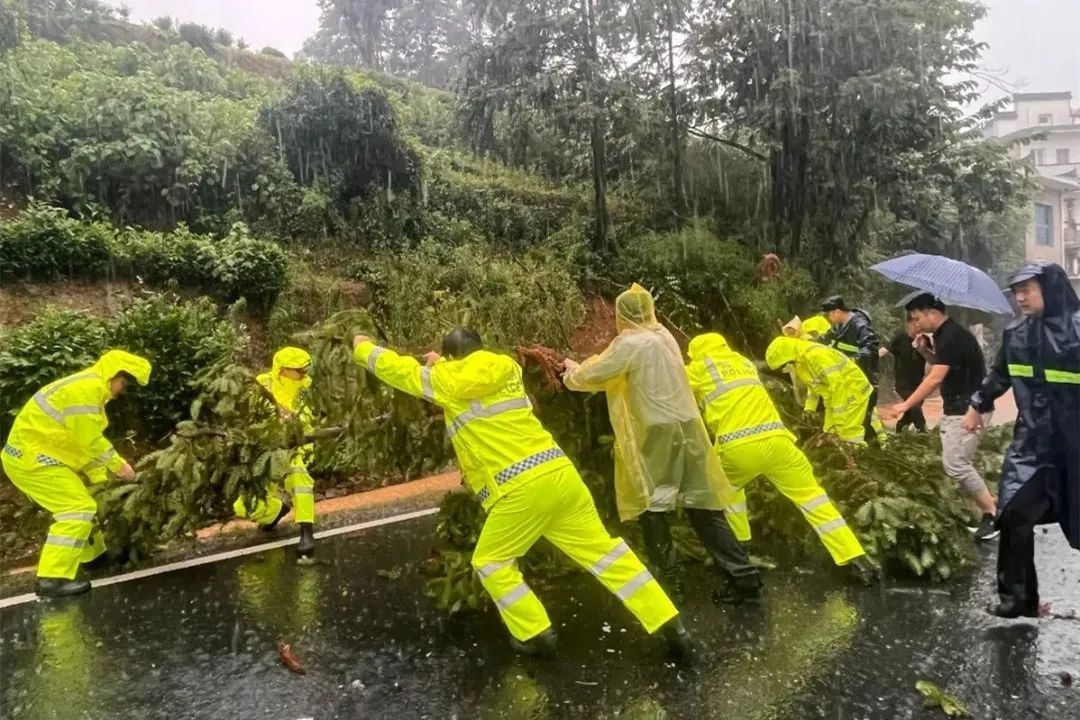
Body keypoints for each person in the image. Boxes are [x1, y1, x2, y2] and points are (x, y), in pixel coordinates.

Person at [353, 327, 692, 658]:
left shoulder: (446, 381)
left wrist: (362, 346)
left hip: (519, 488)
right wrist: (442, 364)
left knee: (491, 562)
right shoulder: (506, 370)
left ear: (452, 358)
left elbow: (396, 369)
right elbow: (466, 376)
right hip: (560, 475)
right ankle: (667, 621)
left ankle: (535, 633)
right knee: (606, 554)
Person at [562, 284, 763, 604]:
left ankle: (671, 583)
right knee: (703, 504)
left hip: (656, 432)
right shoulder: (664, 336)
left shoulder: (629, 343)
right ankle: (744, 578)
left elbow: (597, 373)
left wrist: (571, 372)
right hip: (688, 428)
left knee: (651, 504)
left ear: (621, 314)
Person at [685, 332, 876, 582]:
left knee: (727, 493)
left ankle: (742, 549)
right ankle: (856, 559)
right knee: (814, 499)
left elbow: (672, 387)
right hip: (779, 442)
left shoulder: (698, 368)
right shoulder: (743, 363)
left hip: (738, 448)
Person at [965, 262, 1079, 618]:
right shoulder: (1016, 334)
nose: (1020, 297)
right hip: (1031, 445)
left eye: (1027, 289)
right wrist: (977, 405)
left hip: (1074, 447)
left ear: (1051, 288)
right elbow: (999, 376)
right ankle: (1017, 599)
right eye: (1016, 291)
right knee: (1013, 513)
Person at [1, 350, 151, 597]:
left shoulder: (90, 391)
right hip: (32, 461)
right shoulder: (86, 391)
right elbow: (90, 440)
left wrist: (103, 481)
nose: (121, 391)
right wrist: (119, 467)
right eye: (123, 384)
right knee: (77, 510)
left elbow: (80, 448)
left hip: (37, 458)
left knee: (84, 506)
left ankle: (93, 559)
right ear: (113, 375)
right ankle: (52, 578)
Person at [885, 294, 998, 541]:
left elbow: (936, 377)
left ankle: (992, 514)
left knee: (956, 465)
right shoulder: (946, 336)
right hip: (960, 407)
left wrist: (905, 404)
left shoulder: (951, 336)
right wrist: (925, 351)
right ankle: (986, 511)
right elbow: (943, 365)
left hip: (969, 409)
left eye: (916, 318)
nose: (915, 324)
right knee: (958, 464)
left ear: (931, 313)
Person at [233, 347, 317, 559]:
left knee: (299, 479)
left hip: (294, 449)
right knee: (243, 505)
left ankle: (307, 530)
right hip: (266, 451)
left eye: (305, 369)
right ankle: (275, 512)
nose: (304, 374)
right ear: (283, 369)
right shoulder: (263, 382)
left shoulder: (306, 388)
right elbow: (249, 411)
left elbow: (305, 423)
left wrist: (291, 421)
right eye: (299, 370)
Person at [765, 336, 887, 446]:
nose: (785, 367)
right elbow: (814, 387)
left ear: (787, 355)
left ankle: (857, 461)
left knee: (848, 433)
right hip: (835, 399)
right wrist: (809, 409)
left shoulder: (816, 355)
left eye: (784, 364)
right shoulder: (801, 362)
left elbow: (838, 385)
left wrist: (839, 418)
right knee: (829, 431)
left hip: (853, 392)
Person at [880, 315, 928, 432]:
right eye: (914, 322)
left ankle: (900, 427)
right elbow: (885, 350)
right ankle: (924, 432)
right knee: (914, 408)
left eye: (920, 322)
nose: (918, 325)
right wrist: (871, 356)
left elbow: (933, 358)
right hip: (903, 383)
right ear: (908, 324)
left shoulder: (925, 340)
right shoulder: (900, 337)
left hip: (919, 384)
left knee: (910, 412)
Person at [821, 295, 880, 385]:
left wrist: (853, 360)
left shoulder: (860, 325)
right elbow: (827, 338)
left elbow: (870, 347)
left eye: (827, 315)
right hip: (847, 376)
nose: (827, 318)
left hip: (862, 378)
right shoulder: (839, 325)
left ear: (837, 312)